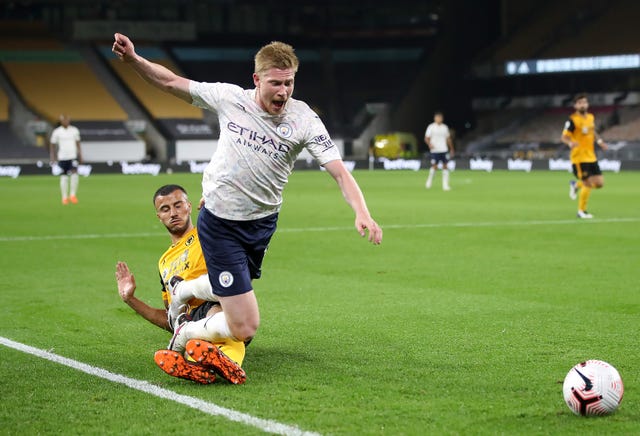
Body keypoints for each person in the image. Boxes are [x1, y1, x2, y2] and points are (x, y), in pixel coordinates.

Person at [112, 34, 383, 375]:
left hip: (261, 225)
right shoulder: (230, 99)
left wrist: (362, 211)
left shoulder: (304, 120)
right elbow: (169, 82)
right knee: (245, 326)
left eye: (289, 83)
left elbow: (340, 172)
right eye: (275, 83)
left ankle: (184, 291)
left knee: (231, 299)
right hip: (220, 222)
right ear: (257, 79)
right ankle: (186, 333)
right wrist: (135, 60)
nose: (283, 92)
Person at [115, 184, 246, 384]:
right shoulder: (164, 262)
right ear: (158, 216)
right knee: (197, 346)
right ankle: (202, 366)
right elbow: (170, 320)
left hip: (221, 304)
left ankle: (213, 363)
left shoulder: (207, 234)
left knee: (221, 315)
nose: (173, 213)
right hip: (190, 321)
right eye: (165, 209)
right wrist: (130, 299)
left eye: (178, 205)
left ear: (189, 206)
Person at [561, 93, 609, 219]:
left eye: (584, 102)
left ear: (587, 104)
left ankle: (575, 185)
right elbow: (564, 137)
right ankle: (581, 211)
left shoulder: (591, 118)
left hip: (591, 156)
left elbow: (592, 132)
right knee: (587, 183)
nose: (583, 104)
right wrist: (570, 142)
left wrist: (600, 142)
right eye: (580, 102)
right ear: (575, 105)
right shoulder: (572, 120)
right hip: (579, 157)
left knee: (599, 183)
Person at [49, 114, 82, 204]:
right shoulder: (57, 132)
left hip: (73, 156)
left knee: (74, 174)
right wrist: (52, 157)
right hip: (62, 157)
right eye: (64, 120)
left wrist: (80, 155)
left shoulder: (74, 130)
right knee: (64, 176)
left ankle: (72, 195)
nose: (66, 122)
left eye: (67, 120)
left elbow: (78, 143)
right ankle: (64, 197)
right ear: (61, 121)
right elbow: (52, 145)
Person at [424, 111, 454, 191]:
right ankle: (429, 181)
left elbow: (448, 139)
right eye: (437, 118)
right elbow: (426, 138)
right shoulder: (431, 127)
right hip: (435, 150)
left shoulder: (445, 127)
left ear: (442, 119)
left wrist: (451, 149)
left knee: (445, 166)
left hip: (444, 149)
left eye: (440, 118)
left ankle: (445, 185)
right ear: (435, 118)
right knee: (435, 166)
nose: (439, 119)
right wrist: (429, 144)